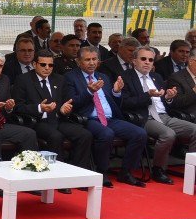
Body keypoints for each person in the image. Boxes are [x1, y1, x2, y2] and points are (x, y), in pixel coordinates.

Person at [62, 45, 146, 187]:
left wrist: (116, 92)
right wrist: (89, 92)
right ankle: (102, 172)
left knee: (140, 133)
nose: (92, 63)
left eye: (94, 59)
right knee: (106, 134)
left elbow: (115, 103)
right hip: (87, 118)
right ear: (78, 62)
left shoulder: (103, 77)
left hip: (109, 118)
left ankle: (126, 172)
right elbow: (72, 103)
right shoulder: (70, 78)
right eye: (87, 59)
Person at [120, 45, 196, 185]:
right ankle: (158, 169)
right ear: (134, 61)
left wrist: (169, 97)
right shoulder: (126, 77)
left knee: (194, 130)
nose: (147, 62)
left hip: (163, 115)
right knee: (168, 134)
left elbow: (167, 102)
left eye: (150, 59)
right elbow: (124, 103)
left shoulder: (156, 77)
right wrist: (147, 96)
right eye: (143, 59)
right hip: (144, 117)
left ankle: (193, 171)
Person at [12, 49, 93, 176]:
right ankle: (57, 176)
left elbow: (66, 102)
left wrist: (64, 108)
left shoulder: (59, 79)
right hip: (37, 121)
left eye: (51, 65)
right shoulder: (23, 80)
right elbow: (18, 107)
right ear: (35, 64)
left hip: (58, 119)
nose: (47, 68)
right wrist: (39, 108)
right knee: (56, 136)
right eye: (43, 64)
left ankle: (78, 173)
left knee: (84, 134)